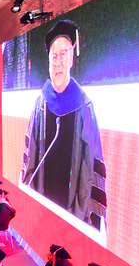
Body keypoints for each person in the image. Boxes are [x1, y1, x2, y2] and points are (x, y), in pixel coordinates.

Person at [20, 19, 106, 231]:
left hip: (72, 214)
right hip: (42, 210)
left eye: (63, 54)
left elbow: (93, 165)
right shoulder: (40, 105)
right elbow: (30, 159)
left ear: (71, 59)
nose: (58, 62)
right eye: (53, 56)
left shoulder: (84, 107)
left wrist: (90, 221)